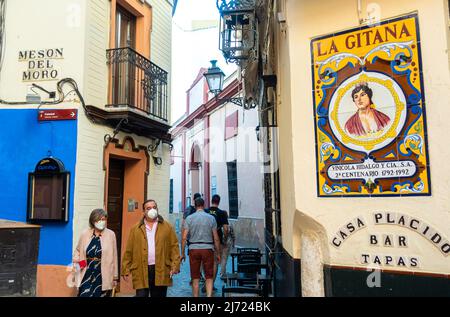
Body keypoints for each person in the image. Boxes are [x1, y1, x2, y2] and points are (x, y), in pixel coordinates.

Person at [121, 199, 181, 297]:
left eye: (154, 207)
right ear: (143, 212)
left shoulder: (167, 227)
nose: (152, 210)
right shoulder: (135, 229)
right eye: (148, 208)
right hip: (141, 269)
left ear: (157, 209)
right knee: (141, 295)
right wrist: (125, 269)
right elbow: (129, 250)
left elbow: (174, 247)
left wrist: (175, 266)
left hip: (161, 268)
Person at [73, 208, 118, 297]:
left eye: (103, 219)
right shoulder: (85, 234)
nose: (102, 222)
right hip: (86, 271)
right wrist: (77, 263)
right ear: (93, 221)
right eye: (99, 219)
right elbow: (78, 251)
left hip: (103, 273)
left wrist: (115, 277)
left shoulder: (111, 234)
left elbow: (114, 256)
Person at [181, 197, 221, 297]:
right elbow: (216, 238)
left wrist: (182, 253)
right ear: (204, 205)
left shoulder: (189, 218)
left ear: (195, 206)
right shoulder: (211, 218)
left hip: (193, 249)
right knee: (209, 276)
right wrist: (218, 253)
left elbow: (184, 237)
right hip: (208, 249)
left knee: (195, 277)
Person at [205, 194, 229, 289]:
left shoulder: (206, 211)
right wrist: (225, 239)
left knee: (205, 262)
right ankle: (211, 284)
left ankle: (206, 281)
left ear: (211, 201)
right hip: (217, 240)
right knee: (215, 262)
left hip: (206, 240)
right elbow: (226, 229)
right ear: (219, 202)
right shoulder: (222, 213)